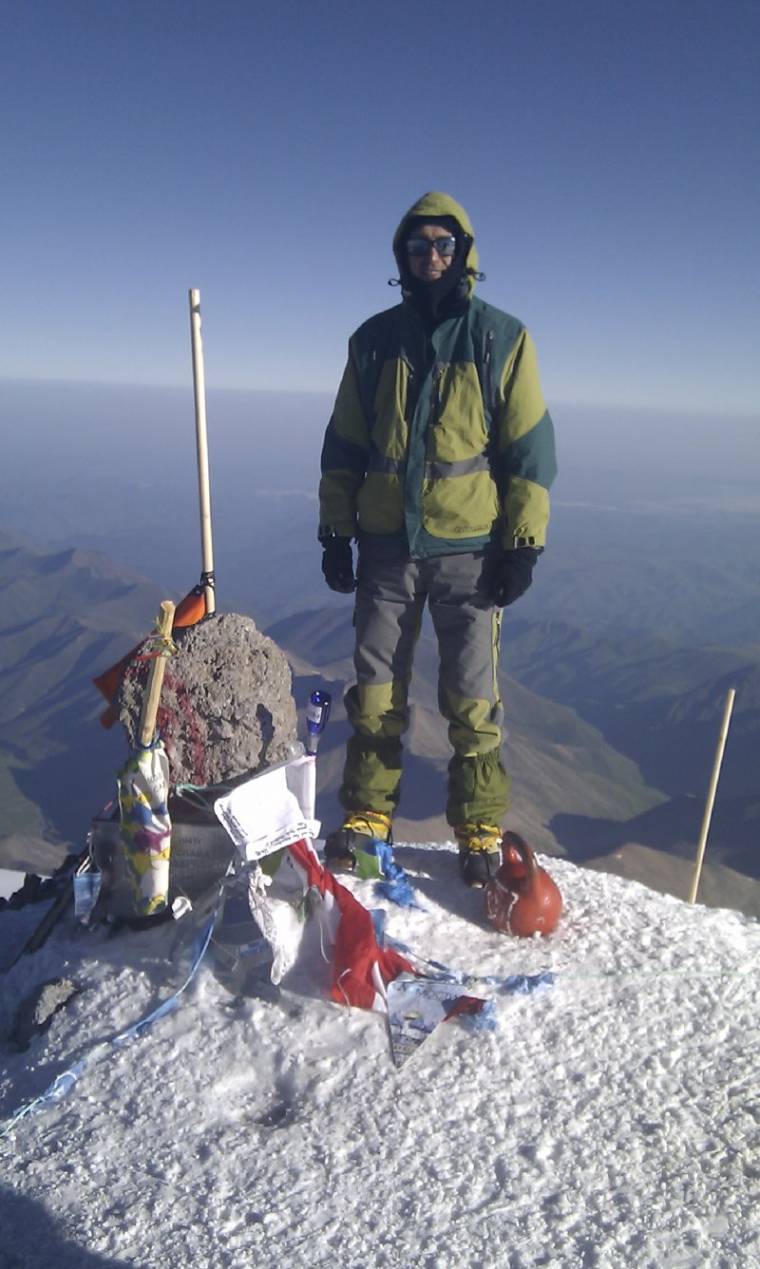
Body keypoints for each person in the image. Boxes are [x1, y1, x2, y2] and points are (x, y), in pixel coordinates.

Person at [318, 192, 556, 887]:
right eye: (418, 246)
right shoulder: (372, 341)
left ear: (464, 253)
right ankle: (366, 815)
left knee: (472, 695)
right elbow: (344, 444)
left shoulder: (501, 339)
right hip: (387, 545)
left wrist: (523, 543)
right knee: (375, 688)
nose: (430, 258)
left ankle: (479, 827)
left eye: (443, 246)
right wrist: (337, 529)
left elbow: (529, 451)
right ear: (402, 255)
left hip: (470, 549)